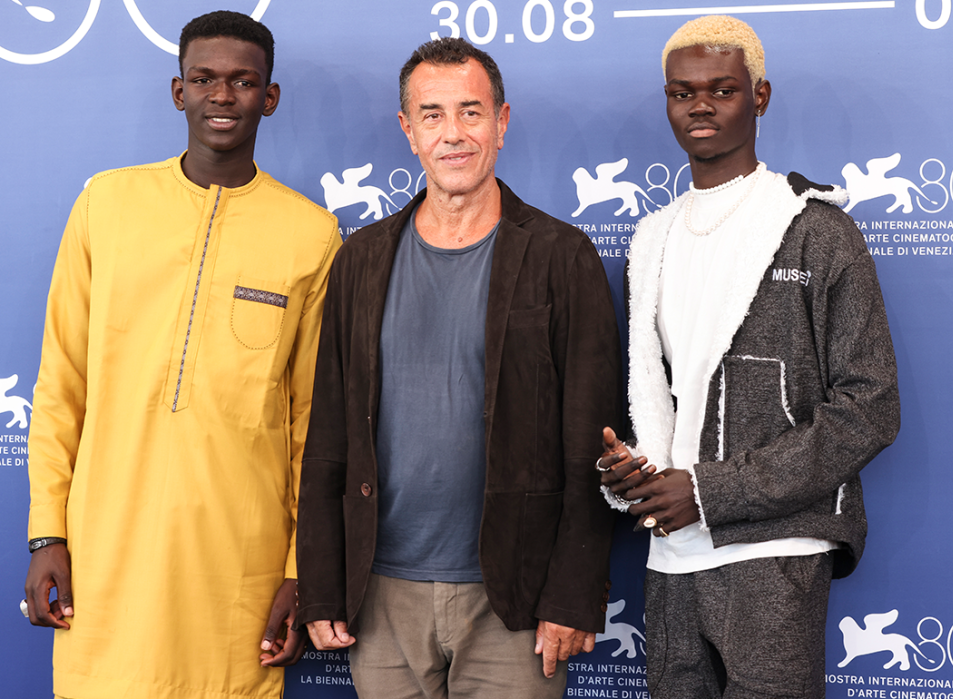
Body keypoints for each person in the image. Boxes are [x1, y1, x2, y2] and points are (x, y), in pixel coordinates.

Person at [23, 11, 341, 699]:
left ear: (270, 96)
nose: (222, 96)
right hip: (104, 560)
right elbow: (60, 386)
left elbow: (313, 426)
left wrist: (298, 566)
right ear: (178, 91)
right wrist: (46, 533)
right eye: (204, 79)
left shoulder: (311, 235)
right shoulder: (105, 205)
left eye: (242, 81)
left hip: (238, 574)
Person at [296, 36, 621, 699]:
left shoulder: (563, 255)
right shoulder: (359, 261)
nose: (454, 134)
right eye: (434, 114)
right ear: (408, 130)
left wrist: (572, 593)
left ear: (501, 123)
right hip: (380, 594)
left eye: (471, 112)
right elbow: (329, 436)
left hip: (516, 597)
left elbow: (595, 442)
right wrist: (323, 585)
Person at [598, 15, 900, 699]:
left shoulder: (816, 230)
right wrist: (634, 473)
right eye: (682, 92)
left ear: (759, 96)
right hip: (671, 556)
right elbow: (658, 399)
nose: (699, 106)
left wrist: (709, 491)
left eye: (722, 90)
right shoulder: (652, 239)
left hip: (776, 551)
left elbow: (870, 407)